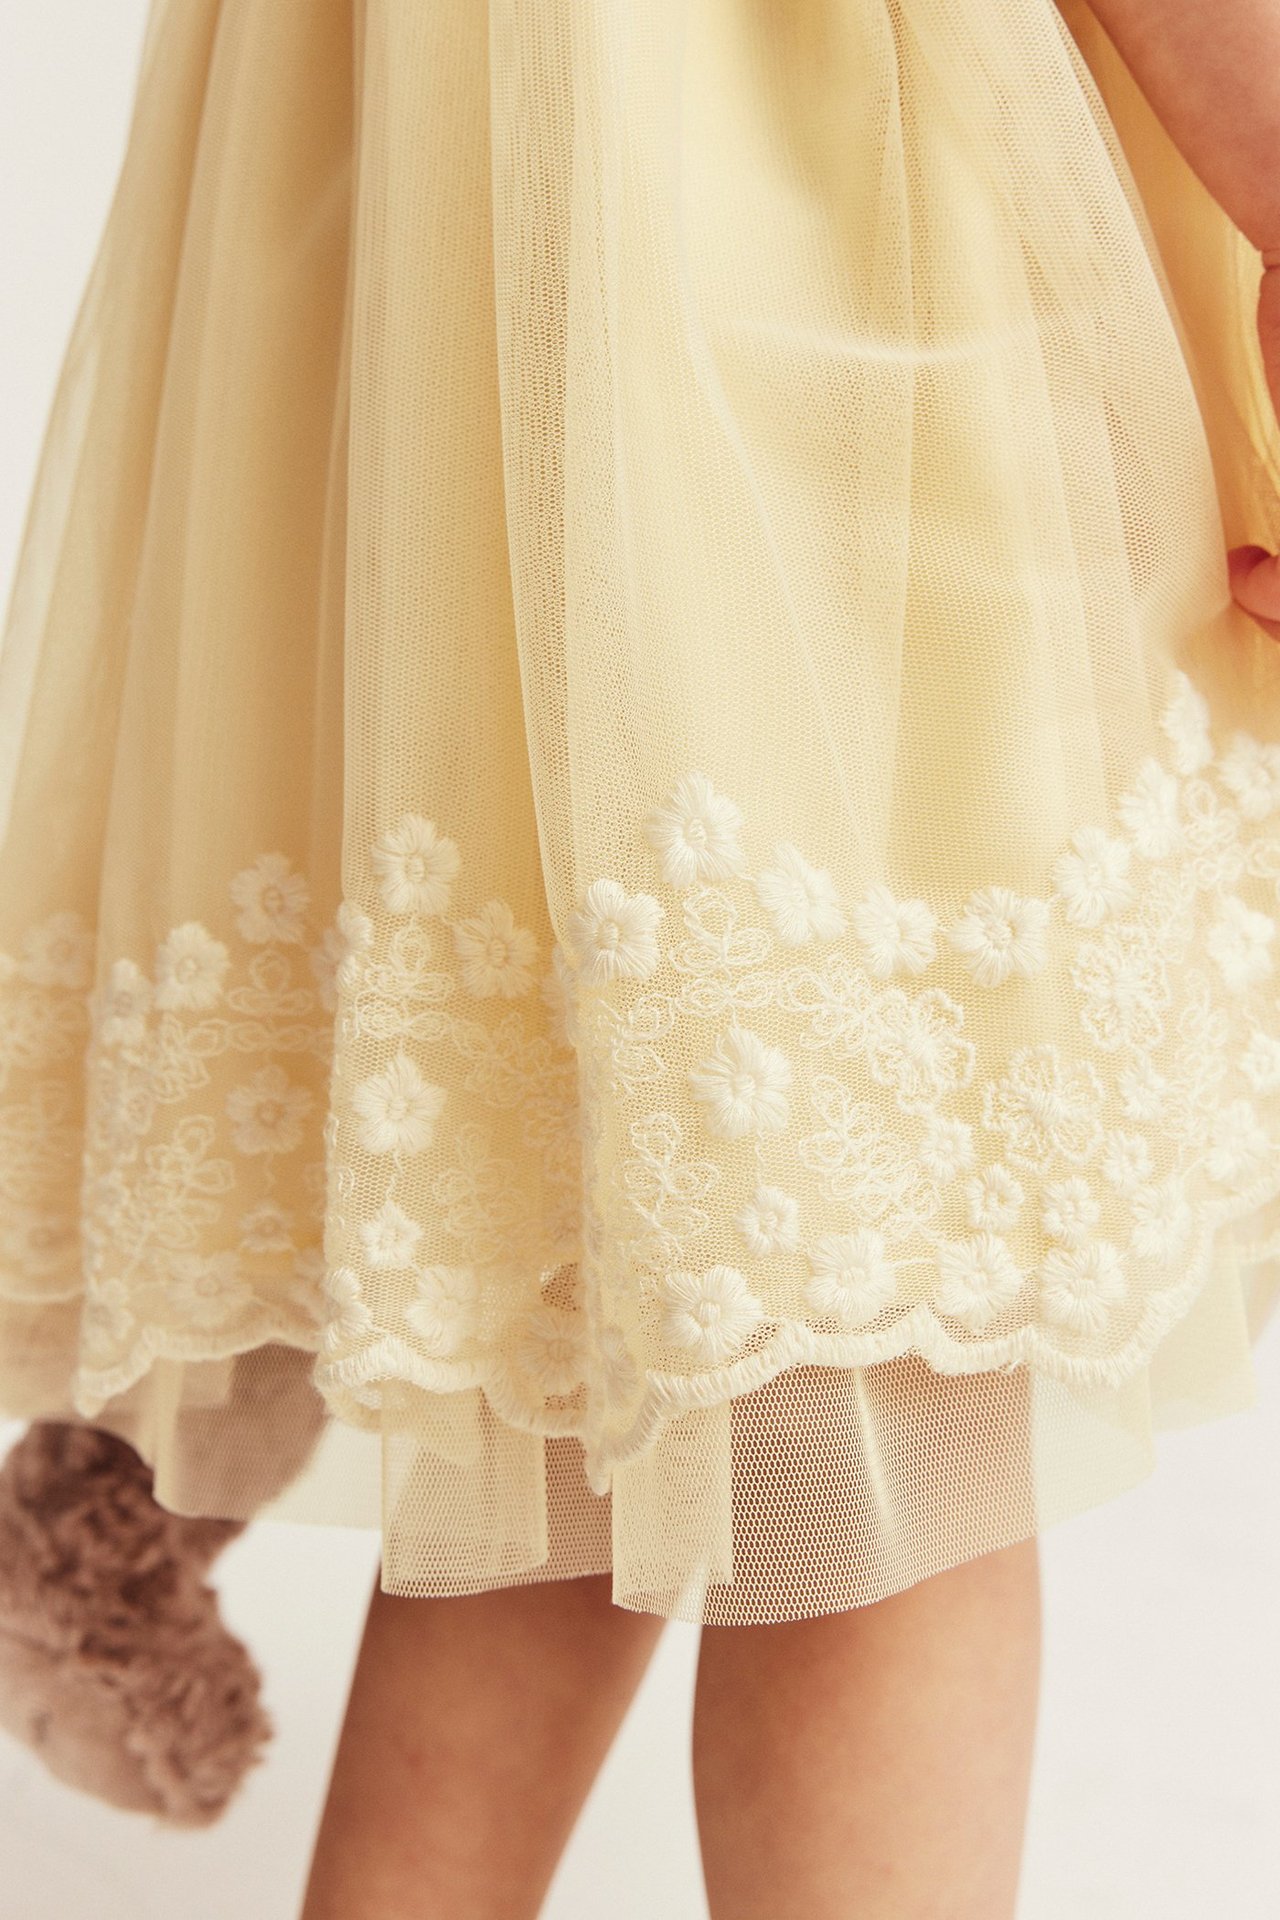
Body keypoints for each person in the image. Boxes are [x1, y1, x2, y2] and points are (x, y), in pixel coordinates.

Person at [1, 4, 1279, 1917]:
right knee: (888, 1345)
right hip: (806, 224)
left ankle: (169, 1475)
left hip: (472, 151)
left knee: (616, 1272)